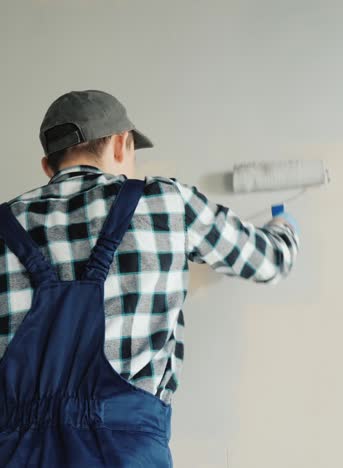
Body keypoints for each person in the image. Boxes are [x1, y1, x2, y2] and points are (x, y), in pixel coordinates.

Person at [0, 90, 300, 467]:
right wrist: (283, 226)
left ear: (48, 165)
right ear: (122, 144)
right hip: (125, 453)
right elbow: (270, 260)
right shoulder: (167, 202)